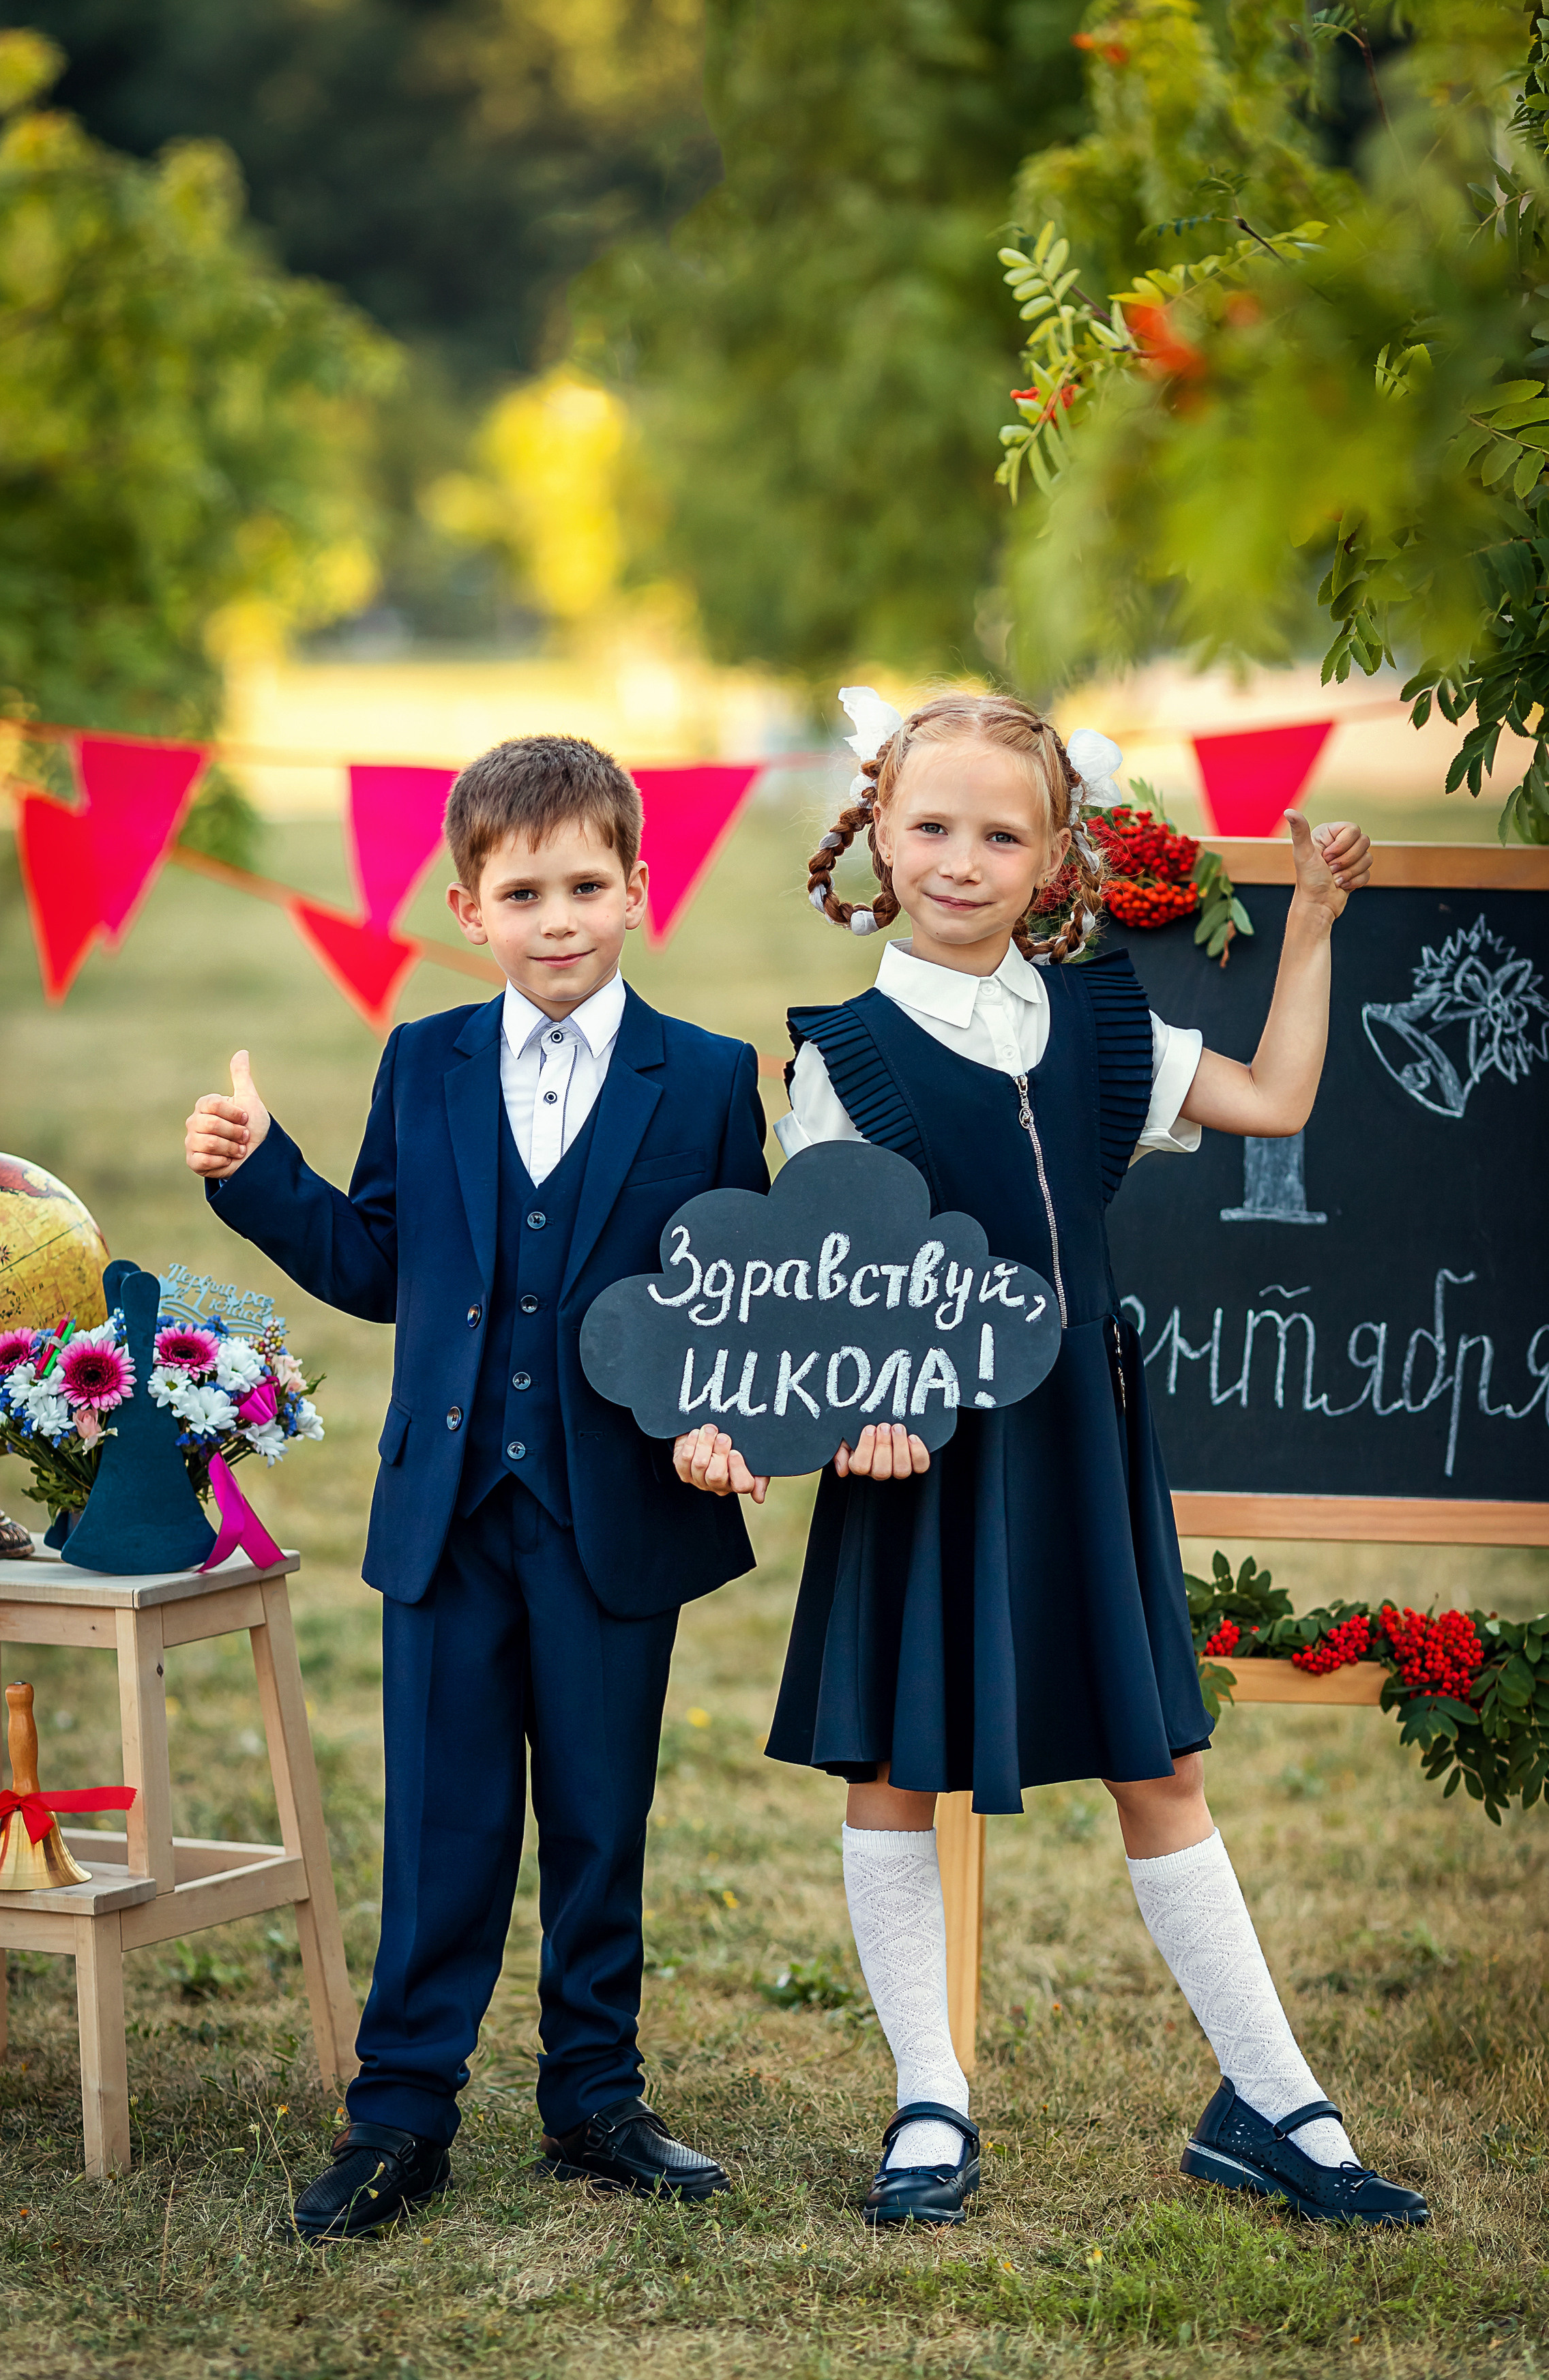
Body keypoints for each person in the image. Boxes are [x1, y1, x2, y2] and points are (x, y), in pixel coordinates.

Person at [676, 688, 1428, 2233]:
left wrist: (1311, 932)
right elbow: (827, 1289)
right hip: (921, 1460)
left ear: (1053, 856)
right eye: (933, 826)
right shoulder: (848, 1057)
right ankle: (926, 2098)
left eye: (1000, 834)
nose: (962, 859)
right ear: (877, 831)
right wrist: (856, 1410)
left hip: (1081, 1443)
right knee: (895, 1771)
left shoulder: (1096, 1025)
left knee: (1160, 1762)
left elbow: (1273, 1100)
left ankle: (1276, 2103)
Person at [185, 734, 769, 2242]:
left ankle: (594, 2098)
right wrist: (261, 1173)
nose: (558, 916)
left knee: (596, 1815)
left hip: (614, 1518)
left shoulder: (703, 1079)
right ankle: (400, 2115)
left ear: (639, 889)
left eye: (587, 884)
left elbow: (736, 1297)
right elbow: (380, 1265)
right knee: (443, 1824)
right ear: (467, 907)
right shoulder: (424, 1061)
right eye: (525, 892)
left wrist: (726, 1421)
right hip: (446, 1514)